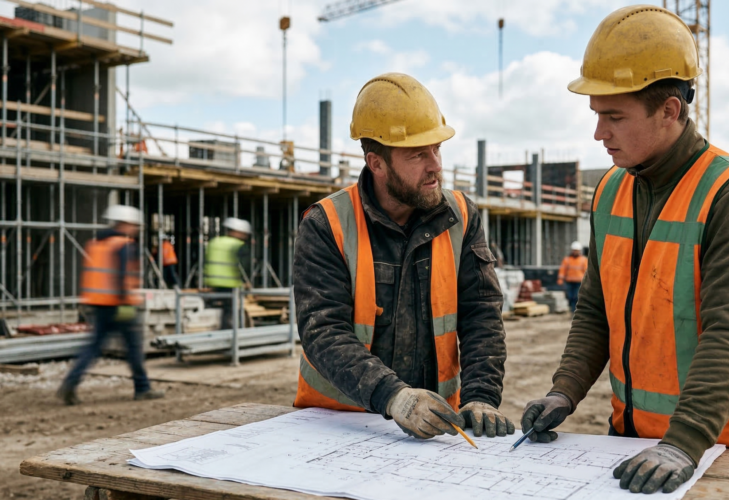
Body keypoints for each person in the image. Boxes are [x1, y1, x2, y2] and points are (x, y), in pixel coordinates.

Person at [521, 6, 729, 495]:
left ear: (669, 110)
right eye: (597, 115)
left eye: (614, 117)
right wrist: (565, 390)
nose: (599, 133)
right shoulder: (610, 192)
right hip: (634, 438)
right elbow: (596, 311)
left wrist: (683, 443)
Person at [293, 73, 513, 440]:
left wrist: (481, 397)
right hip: (339, 426)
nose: (436, 165)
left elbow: (482, 314)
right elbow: (324, 331)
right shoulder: (327, 224)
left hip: (438, 427)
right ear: (376, 163)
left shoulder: (461, 216)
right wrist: (393, 397)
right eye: (418, 155)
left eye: (437, 149)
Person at [57, 205, 164, 405]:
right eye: (133, 225)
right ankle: (142, 388)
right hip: (119, 304)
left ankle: (70, 383)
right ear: (123, 224)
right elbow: (121, 276)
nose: (135, 229)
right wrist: (126, 304)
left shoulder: (96, 244)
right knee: (133, 347)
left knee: (93, 347)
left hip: (98, 304)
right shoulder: (123, 245)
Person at [204, 217, 250, 329]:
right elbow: (242, 266)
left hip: (212, 281)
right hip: (230, 283)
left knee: (218, 307)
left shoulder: (214, 242)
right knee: (230, 311)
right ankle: (229, 334)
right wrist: (246, 282)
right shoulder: (238, 245)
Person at [557, 241, 587, 312]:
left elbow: (586, 272)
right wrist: (560, 279)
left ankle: (575, 311)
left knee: (576, 297)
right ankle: (572, 309)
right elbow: (562, 270)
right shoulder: (567, 260)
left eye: (577, 250)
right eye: (574, 250)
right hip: (569, 282)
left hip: (579, 282)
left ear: (579, 251)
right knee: (570, 297)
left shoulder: (583, 260)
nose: (575, 252)